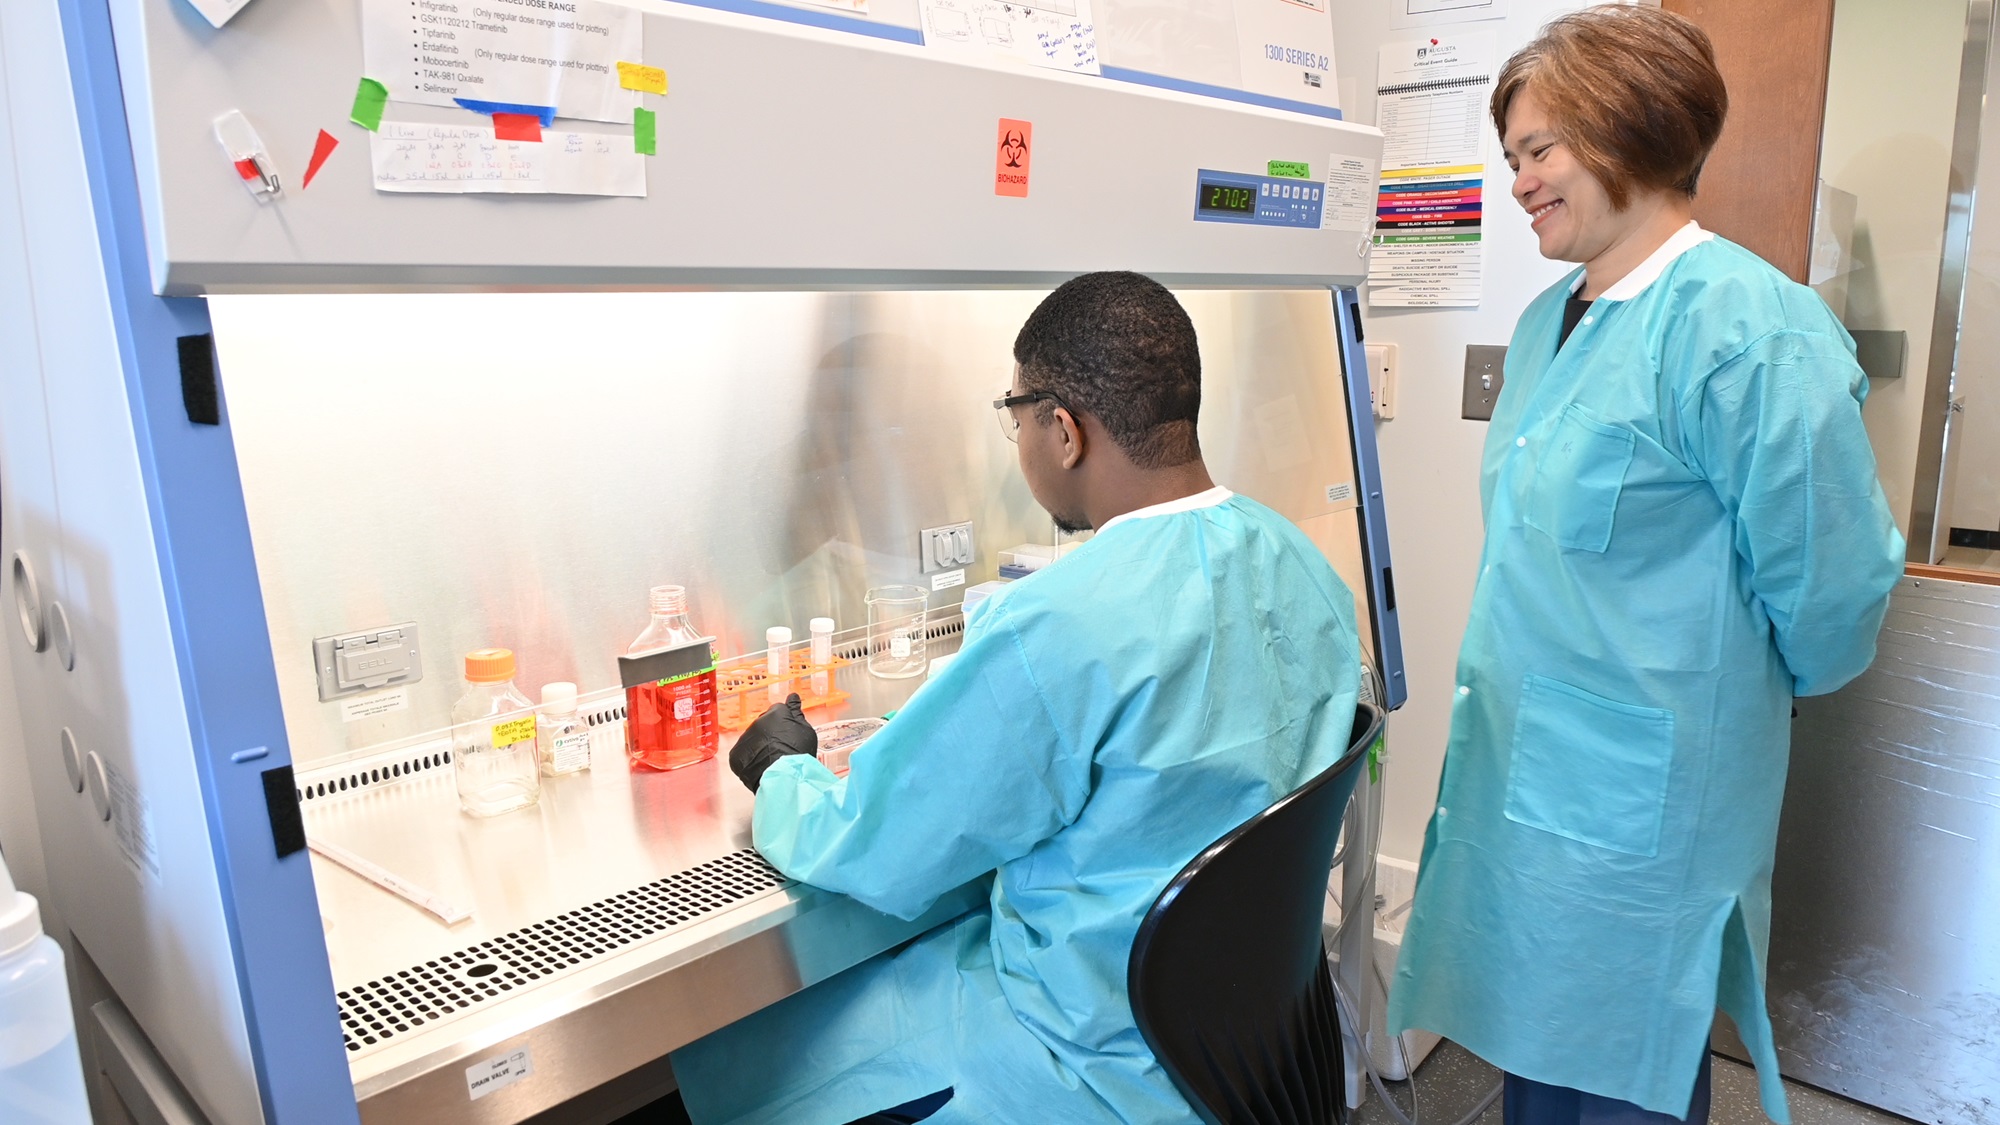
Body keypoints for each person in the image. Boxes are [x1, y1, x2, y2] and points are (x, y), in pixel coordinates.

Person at [668, 271, 1365, 1124]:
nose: (1019, 444)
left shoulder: (1061, 623)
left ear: (1063, 430)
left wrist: (783, 773)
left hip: (1084, 1060)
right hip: (1243, 1050)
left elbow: (873, 844)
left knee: (735, 1056)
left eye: (1016, 420)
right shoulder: (1304, 564)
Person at [1386, 8, 1905, 1125]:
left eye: (1538, 150)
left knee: (1623, 1070)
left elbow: (1834, 586)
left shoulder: (1746, 331)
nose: (1517, 181)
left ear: (1626, 129)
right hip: (1523, 773)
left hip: (1648, 794)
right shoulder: (1543, 325)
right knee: (1537, 1048)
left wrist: (1743, 697)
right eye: (1510, 155)